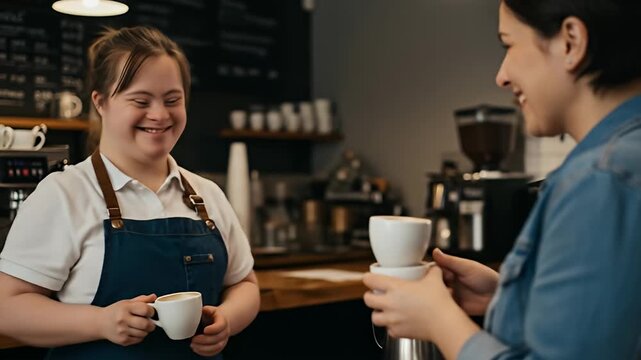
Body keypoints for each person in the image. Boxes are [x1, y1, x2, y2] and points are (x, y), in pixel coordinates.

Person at [363, 0, 641, 359]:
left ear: (571, 41)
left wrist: (441, 321)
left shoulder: (599, 180)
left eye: (509, 44)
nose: (502, 75)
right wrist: (510, 296)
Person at [0, 26, 260, 359]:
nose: (160, 115)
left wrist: (228, 320)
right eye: (141, 100)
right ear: (101, 102)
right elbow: (7, 306)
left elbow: (244, 284)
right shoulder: (64, 194)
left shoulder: (206, 194)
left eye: (172, 100)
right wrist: (101, 322)